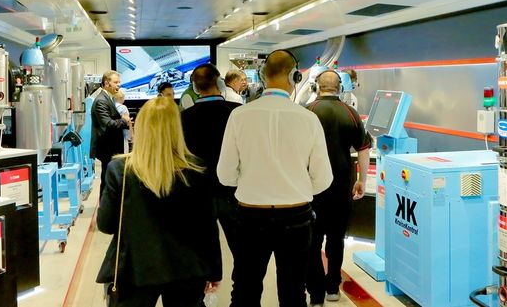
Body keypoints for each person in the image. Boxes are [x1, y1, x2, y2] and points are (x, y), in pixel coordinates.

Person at [217, 49, 333, 307]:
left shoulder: (239, 116)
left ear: (262, 75)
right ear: (295, 77)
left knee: (245, 290)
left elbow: (225, 175)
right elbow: (323, 179)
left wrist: (251, 180)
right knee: (293, 292)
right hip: (296, 217)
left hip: (250, 216)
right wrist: (296, 185)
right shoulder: (309, 119)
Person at [96, 97, 222, 307]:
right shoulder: (196, 170)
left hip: (134, 268)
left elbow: (106, 225)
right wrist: (214, 270)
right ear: (176, 129)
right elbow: (207, 227)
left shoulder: (120, 170)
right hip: (187, 268)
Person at [305, 70, 371, 305]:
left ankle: (316, 295)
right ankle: (333, 287)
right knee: (336, 239)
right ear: (340, 88)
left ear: (316, 87)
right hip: (341, 187)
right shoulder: (350, 113)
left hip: (312, 188)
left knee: (313, 241)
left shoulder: (308, 111)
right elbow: (363, 148)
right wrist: (362, 180)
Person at [181, 63, 241, 257]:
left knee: (202, 251)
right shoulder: (237, 113)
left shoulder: (183, 118)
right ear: (220, 83)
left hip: (197, 191)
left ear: (195, 87)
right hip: (233, 190)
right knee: (241, 250)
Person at [91, 70, 131, 198]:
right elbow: (108, 124)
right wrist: (124, 121)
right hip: (107, 149)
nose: (119, 85)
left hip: (111, 147)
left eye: (119, 82)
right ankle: (104, 205)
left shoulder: (109, 98)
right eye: (116, 82)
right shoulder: (101, 101)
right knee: (107, 180)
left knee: (110, 179)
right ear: (107, 83)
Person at [113, 89, 132, 154]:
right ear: (121, 98)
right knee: (124, 152)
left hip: (114, 132)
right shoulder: (123, 108)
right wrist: (131, 134)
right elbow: (128, 121)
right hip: (123, 133)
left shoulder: (111, 106)